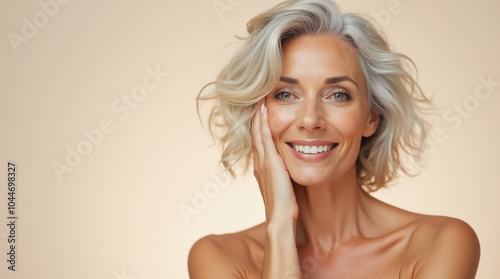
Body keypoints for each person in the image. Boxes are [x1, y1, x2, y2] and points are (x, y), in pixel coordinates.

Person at [189, 0, 480, 278]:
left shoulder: (439, 244)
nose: (310, 120)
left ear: (371, 117)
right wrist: (280, 225)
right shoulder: (219, 257)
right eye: (285, 94)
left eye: (338, 95)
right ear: (256, 113)